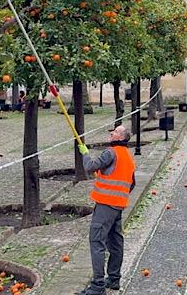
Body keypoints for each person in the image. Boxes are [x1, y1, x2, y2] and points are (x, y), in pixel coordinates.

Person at [78, 126, 136, 294]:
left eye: (116, 132)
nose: (112, 133)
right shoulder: (128, 156)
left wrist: (85, 153)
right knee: (115, 242)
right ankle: (113, 279)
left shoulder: (111, 153)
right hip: (118, 205)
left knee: (97, 241)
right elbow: (132, 183)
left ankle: (98, 285)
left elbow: (90, 166)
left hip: (106, 204)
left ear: (121, 137)